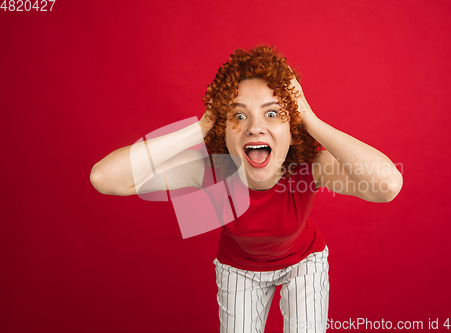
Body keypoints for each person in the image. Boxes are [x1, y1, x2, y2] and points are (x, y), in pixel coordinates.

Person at [90, 45, 403, 333]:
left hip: (304, 263)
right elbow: (105, 178)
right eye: (238, 116)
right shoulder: (213, 169)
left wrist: (309, 118)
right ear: (223, 131)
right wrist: (200, 127)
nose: (255, 126)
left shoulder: (309, 166)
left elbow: (387, 185)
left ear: (291, 129)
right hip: (238, 269)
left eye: (272, 113)